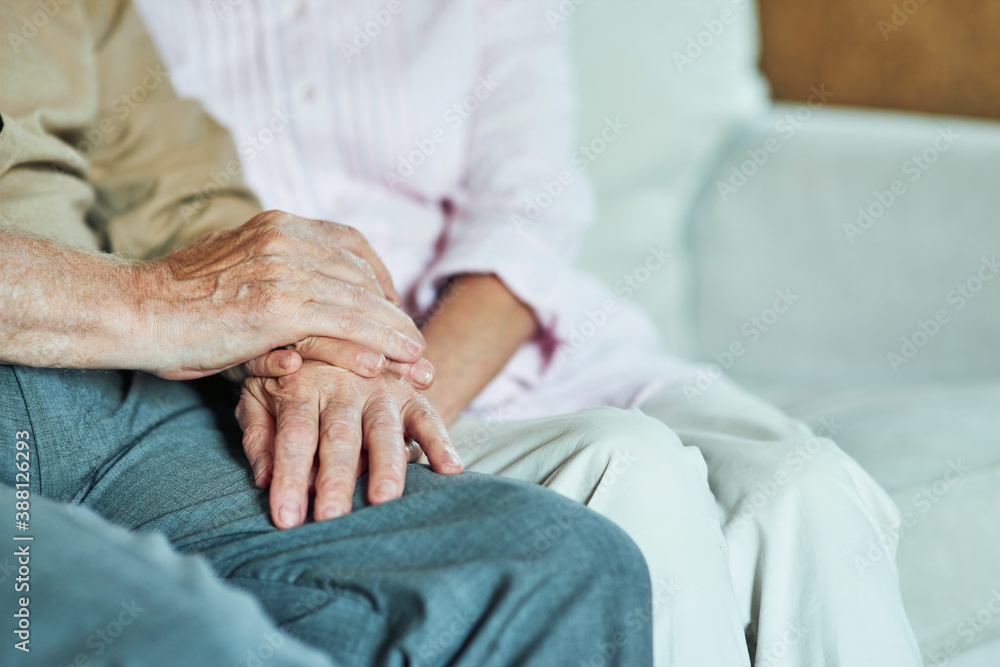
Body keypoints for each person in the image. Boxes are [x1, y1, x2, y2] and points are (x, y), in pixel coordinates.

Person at [137, 1, 925, 665]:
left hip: (518, 341)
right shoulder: (121, 23)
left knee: (806, 484)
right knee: (629, 468)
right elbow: (164, 245)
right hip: (309, 385)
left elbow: (530, 208)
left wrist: (399, 394)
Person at [0, 1, 656, 665]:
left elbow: (182, 197)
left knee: (561, 564)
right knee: (189, 636)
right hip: (73, 357)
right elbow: (170, 288)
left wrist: (303, 333)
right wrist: (156, 301)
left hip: (121, 402)